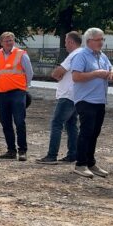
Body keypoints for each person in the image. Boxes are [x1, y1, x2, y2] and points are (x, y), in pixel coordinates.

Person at [70, 27, 113, 178]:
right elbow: (76, 77)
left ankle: (90, 162)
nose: (101, 42)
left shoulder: (102, 55)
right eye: (98, 40)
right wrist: (96, 74)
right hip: (86, 100)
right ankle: (80, 164)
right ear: (89, 41)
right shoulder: (81, 55)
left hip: (100, 100)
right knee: (86, 132)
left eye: (102, 39)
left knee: (94, 132)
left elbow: (111, 67)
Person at [37, 31, 82, 164]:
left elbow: (56, 73)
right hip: (77, 95)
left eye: (66, 42)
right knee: (71, 125)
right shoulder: (83, 54)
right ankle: (73, 154)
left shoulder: (73, 55)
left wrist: (58, 73)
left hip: (67, 95)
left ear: (71, 42)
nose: (65, 45)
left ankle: (52, 155)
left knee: (57, 124)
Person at [0, 32, 34, 161]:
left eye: (11, 40)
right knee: (5, 123)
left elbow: (29, 72)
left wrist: (24, 87)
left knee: (19, 122)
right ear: (1, 42)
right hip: (1, 93)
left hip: (17, 92)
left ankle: (22, 151)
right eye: (6, 41)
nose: (9, 42)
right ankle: (11, 150)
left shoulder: (21, 54)